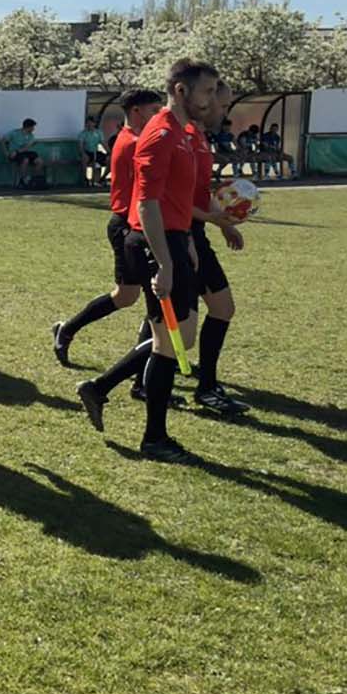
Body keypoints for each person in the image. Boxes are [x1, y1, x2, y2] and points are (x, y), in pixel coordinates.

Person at [75, 59, 218, 463]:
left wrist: (186, 238)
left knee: (178, 339)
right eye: (207, 91)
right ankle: (153, 437)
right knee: (171, 342)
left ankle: (100, 388)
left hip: (173, 241)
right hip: (154, 245)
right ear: (181, 91)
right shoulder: (159, 135)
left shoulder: (183, 133)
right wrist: (166, 262)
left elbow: (175, 199)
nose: (211, 100)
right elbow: (147, 203)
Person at [52, 89, 163, 366]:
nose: (159, 116)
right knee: (149, 297)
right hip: (129, 225)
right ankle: (151, 364)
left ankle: (67, 330)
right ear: (136, 111)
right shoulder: (134, 143)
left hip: (135, 224)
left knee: (130, 296)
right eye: (154, 110)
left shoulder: (135, 139)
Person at [185, 82, 250, 416]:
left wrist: (223, 223)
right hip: (183, 235)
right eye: (222, 106)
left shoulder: (197, 138)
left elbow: (198, 190)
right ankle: (206, 388)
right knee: (183, 332)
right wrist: (208, 223)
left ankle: (205, 385)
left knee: (211, 312)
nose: (224, 112)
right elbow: (171, 199)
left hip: (194, 231)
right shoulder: (180, 137)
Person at [4, 119, 43, 187]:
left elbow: (26, 148)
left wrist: (30, 145)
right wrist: (7, 153)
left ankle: (32, 179)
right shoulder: (14, 133)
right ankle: (23, 180)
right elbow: (3, 141)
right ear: (28, 127)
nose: (33, 129)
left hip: (24, 152)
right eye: (32, 127)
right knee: (25, 160)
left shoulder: (31, 135)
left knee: (39, 161)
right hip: (14, 154)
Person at [78, 116, 108, 186]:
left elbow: (103, 143)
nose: (89, 125)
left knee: (105, 159)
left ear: (94, 124)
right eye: (88, 123)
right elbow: (80, 146)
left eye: (91, 123)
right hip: (87, 151)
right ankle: (85, 179)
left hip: (95, 151)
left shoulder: (98, 133)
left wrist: (109, 152)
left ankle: (100, 179)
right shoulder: (83, 134)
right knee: (85, 158)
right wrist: (83, 153)